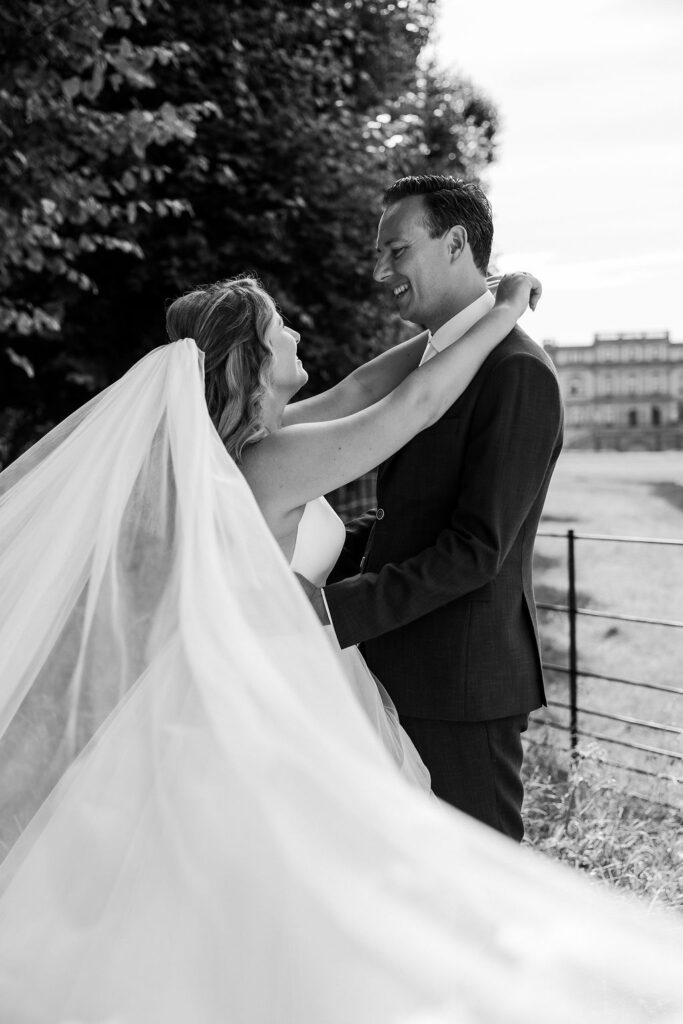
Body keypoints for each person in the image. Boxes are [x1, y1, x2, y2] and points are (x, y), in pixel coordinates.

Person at [0, 278, 681, 1024]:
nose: (296, 333)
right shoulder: (276, 459)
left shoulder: (231, 446)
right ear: (253, 360)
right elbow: (410, 408)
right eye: (280, 327)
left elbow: (359, 387)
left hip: (237, 683)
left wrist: (456, 324)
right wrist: (507, 312)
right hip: (273, 696)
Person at [299, 175, 564, 842]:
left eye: (397, 251)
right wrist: (313, 561)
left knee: (480, 886)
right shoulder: (434, 362)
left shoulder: (515, 371)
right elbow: (406, 516)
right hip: (396, 670)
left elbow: (475, 549)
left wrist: (330, 609)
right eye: (379, 254)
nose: (380, 271)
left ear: (454, 244)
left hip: (459, 687)